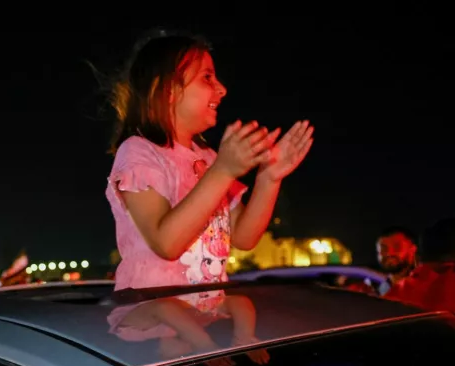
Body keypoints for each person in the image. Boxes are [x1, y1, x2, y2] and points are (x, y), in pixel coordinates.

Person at [105, 30, 313, 293]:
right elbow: (165, 242)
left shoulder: (208, 158)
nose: (222, 89)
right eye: (206, 77)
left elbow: (244, 236)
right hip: (153, 319)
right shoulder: (138, 152)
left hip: (203, 319)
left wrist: (269, 176)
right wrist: (222, 171)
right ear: (166, 89)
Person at [375, 227, 418, 295]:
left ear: (412, 250)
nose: (389, 253)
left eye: (396, 247)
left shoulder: (428, 287)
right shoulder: (374, 289)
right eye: (383, 248)